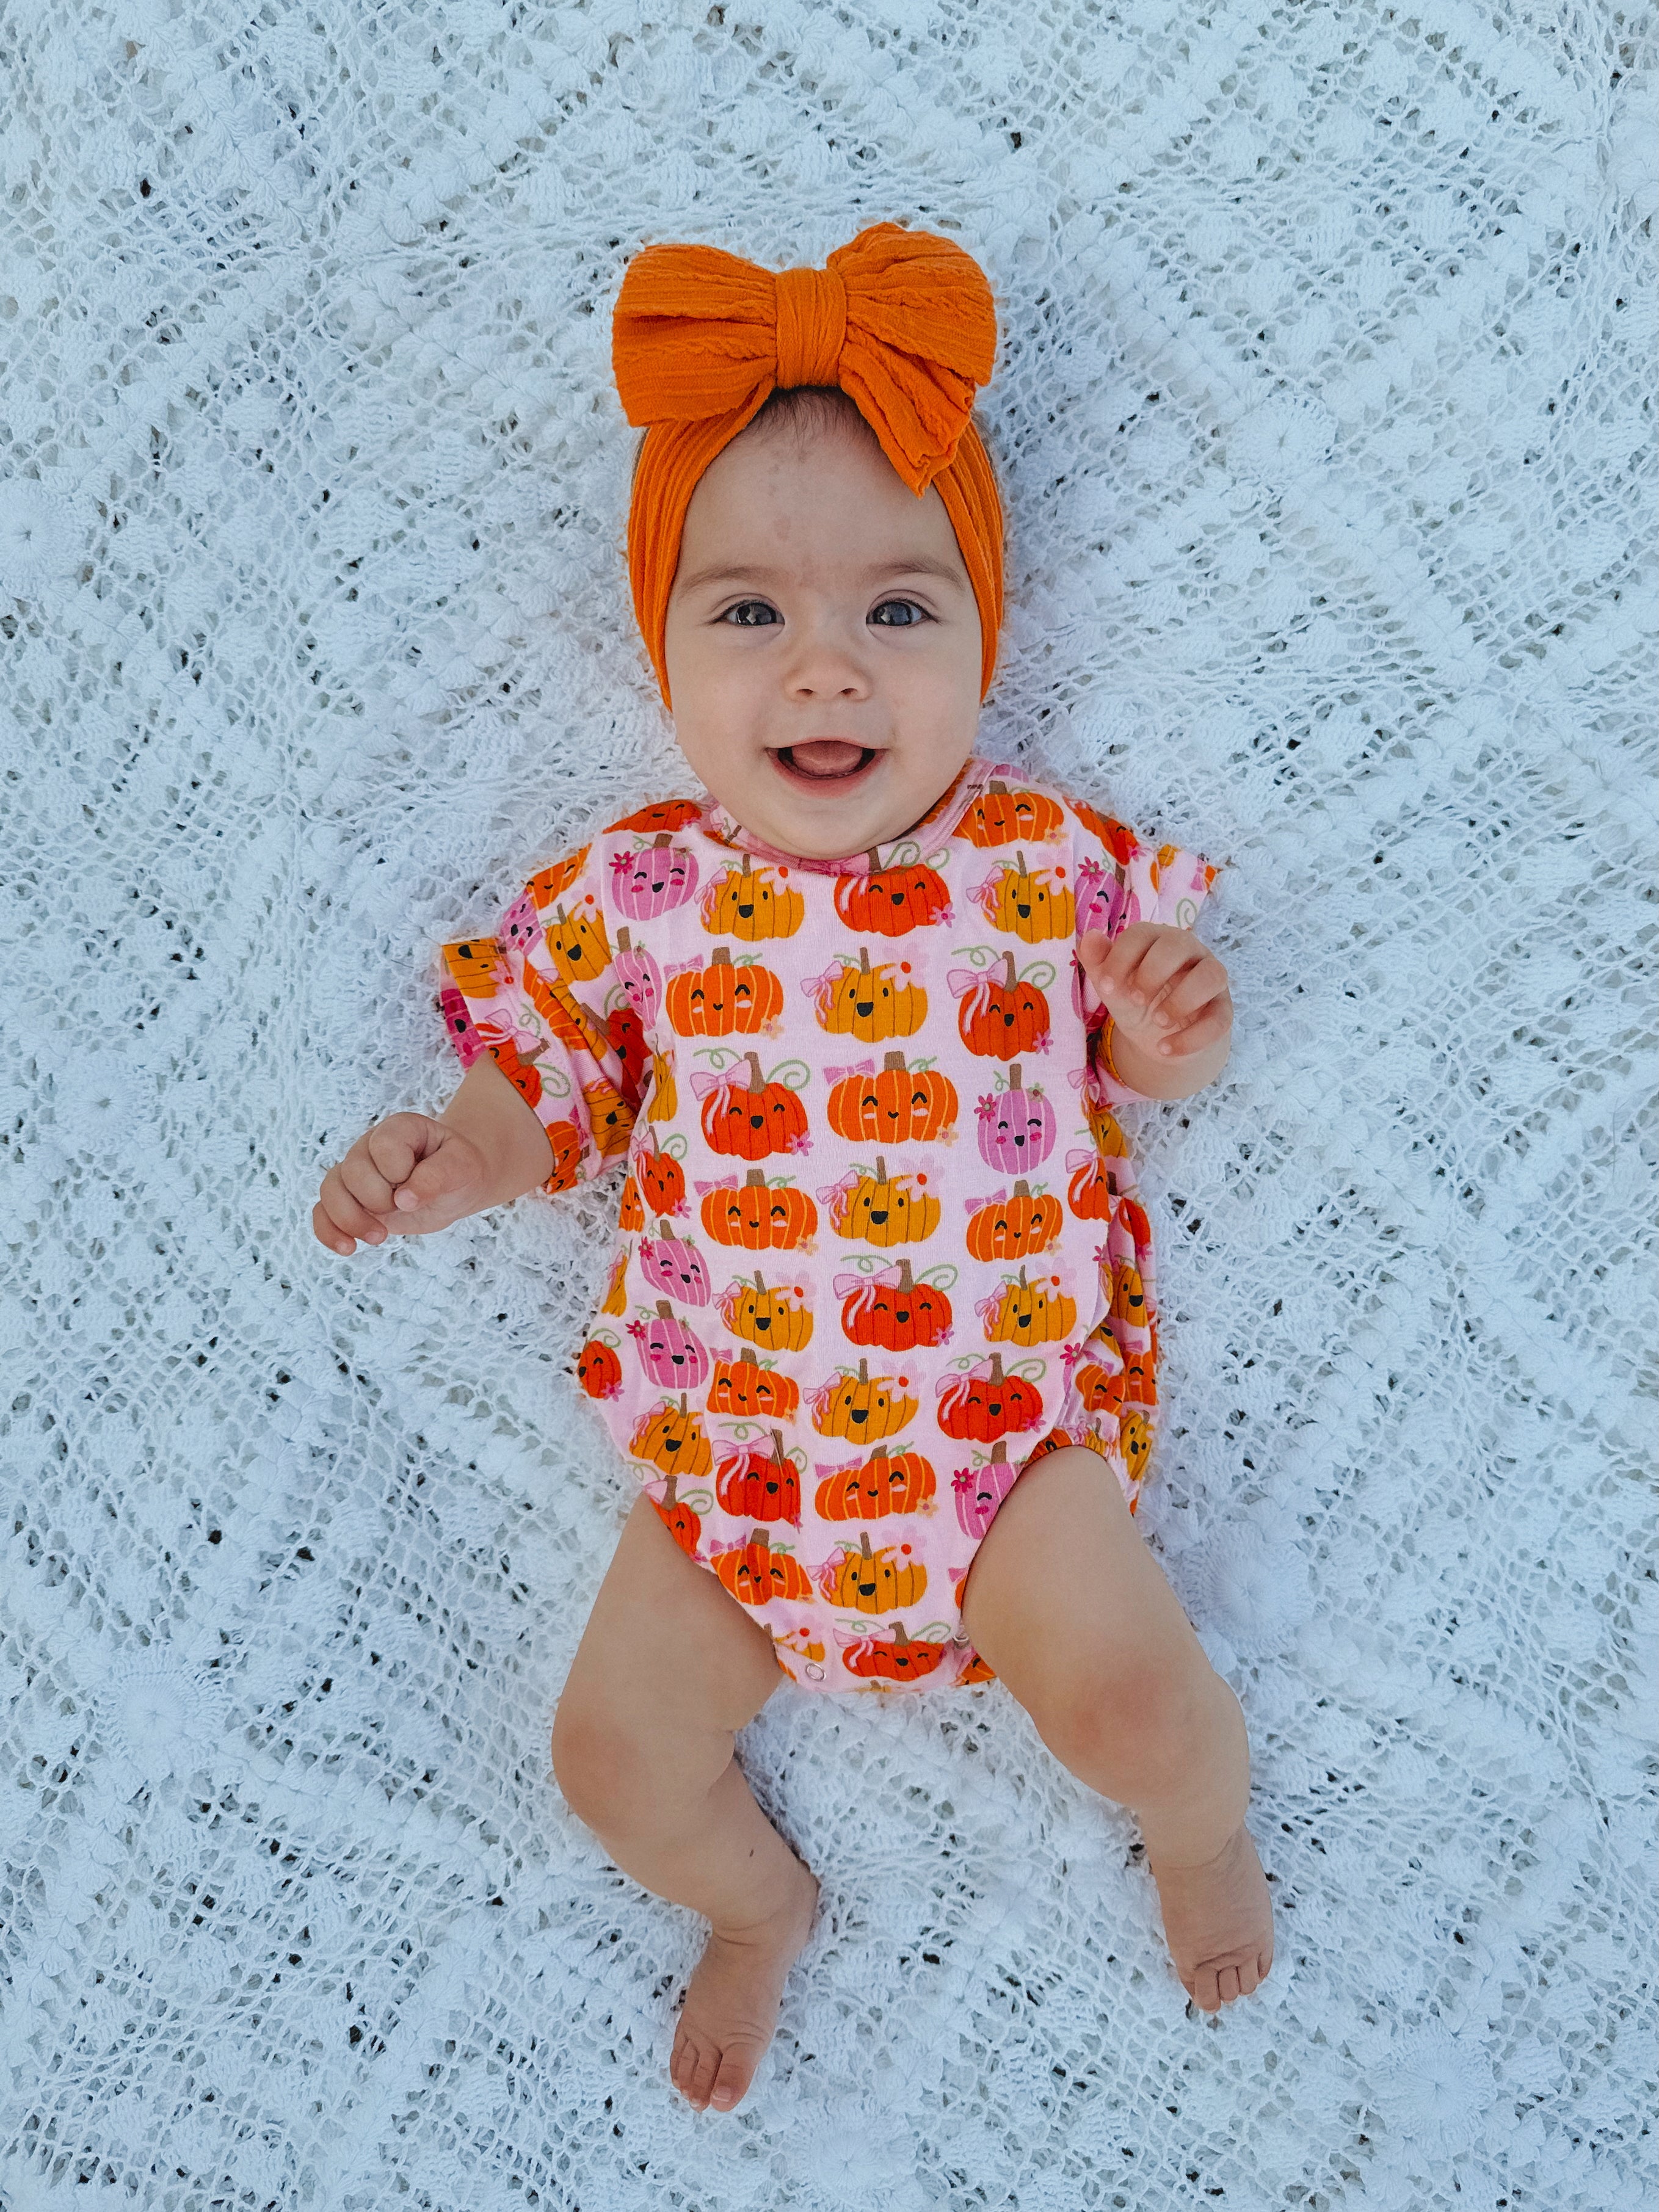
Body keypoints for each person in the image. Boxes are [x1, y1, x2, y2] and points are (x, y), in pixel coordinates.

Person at [313, 223, 1274, 2117]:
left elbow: (1160, 1067)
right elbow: (547, 1096)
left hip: (1007, 1455)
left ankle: (1199, 1833)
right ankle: (756, 1905)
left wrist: (1170, 1018)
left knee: (1139, 1706)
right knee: (609, 1756)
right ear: (658, 650)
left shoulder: (1039, 866)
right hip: (734, 1469)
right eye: (748, 613)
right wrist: (456, 1157)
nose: (826, 668)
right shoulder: (638, 894)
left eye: (899, 613)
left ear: (990, 633)